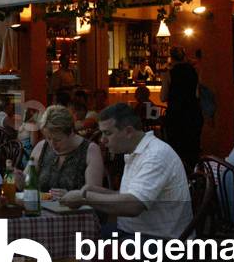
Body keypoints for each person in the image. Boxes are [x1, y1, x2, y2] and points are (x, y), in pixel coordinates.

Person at [62, 103, 192, 239]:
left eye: (107, 133)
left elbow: (133, 206)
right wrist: (96, 191)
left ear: (128, 131)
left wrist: (85, 198)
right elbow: (129, 196)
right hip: (137, 233)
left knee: (82, 243)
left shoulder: (155, 155)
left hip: (162, 241)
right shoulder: (137, 151)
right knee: (78, 235)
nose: (102, 140)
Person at [22, 105, 104, 193]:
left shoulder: (90, 150)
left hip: (76, 202)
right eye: (48, 138)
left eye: (58, 140)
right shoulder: (42, 147)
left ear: (71, 132)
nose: (52, 144)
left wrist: (72, 196)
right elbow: (26, 183)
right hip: (42, 202)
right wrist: (20, 179)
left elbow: (94, 194)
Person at [160, 47, 204, 172]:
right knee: (192, 147)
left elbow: (163, 97)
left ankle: (179, 175)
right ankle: (194, 174)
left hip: (176, 115)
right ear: (184, 56)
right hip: (193, 113)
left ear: (171, 58)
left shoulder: (168, 74)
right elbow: (198, 93)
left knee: (177, 148)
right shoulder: (195, 71)